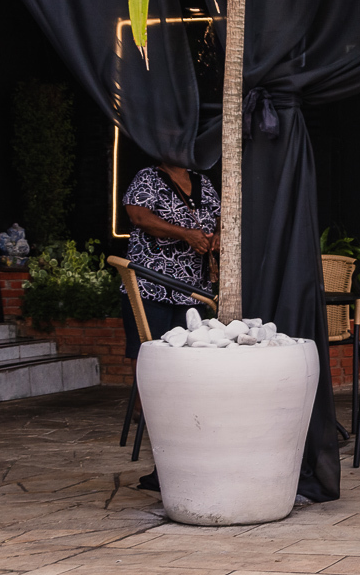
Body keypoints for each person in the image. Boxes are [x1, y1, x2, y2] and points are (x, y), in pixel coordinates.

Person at [120, 163, 220, 490]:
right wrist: (186, 234)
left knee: (187, 374)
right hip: (151, 286)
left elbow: (221, 218)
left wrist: (214, 237)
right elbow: (137, 216)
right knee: (153, 370)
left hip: (191, 291)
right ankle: (162, 463)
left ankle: (182, 461)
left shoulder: (202, 181)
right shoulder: (148, 176)